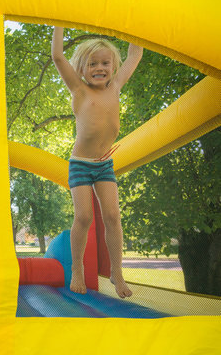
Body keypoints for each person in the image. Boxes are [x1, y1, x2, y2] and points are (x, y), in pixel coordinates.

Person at [51, 27, 143, 298]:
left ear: (113, 66)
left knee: (113, 217)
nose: (99, 67)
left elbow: (135, 53)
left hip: (104, 164)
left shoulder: (115, 86)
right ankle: (77, 267)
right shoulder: (78, 89)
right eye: (92, 63)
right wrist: (58, 24)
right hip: (80, 163)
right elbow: (58, 57)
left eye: (105, 63)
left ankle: (117, 272)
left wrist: (133, 22)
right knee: (84, 217)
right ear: (81, 68)